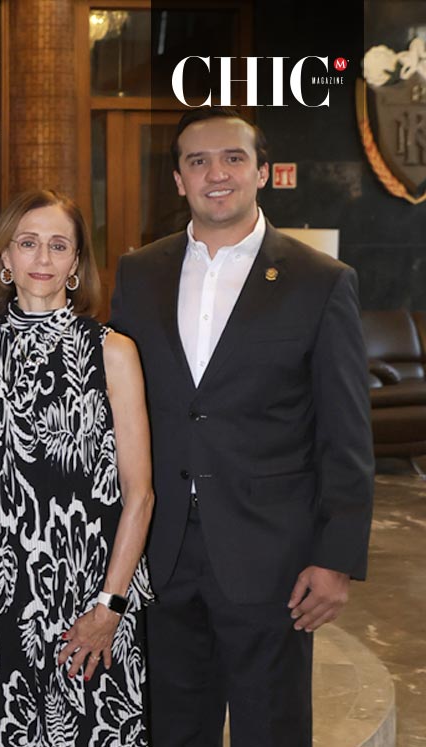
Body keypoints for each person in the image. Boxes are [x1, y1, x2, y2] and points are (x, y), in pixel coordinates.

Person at [109, 106, 374, 747]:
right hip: (162, 552)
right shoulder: (139, 273)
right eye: (197, 161)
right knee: (170, 730)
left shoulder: (321, 281)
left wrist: (335, 558)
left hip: (272, 557)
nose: (216, 173)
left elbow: (346, 431)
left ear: (261, 173)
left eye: (233, 158)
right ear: (178, 180)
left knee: (272, 731)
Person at [0, 191, 154, 747]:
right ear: (5, 258)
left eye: (58, 245)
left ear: (75, 264)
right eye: (27, 243)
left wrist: (110, 607)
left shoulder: (114, 351)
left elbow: (139, 497)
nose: (42, 258)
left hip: (90, 591)